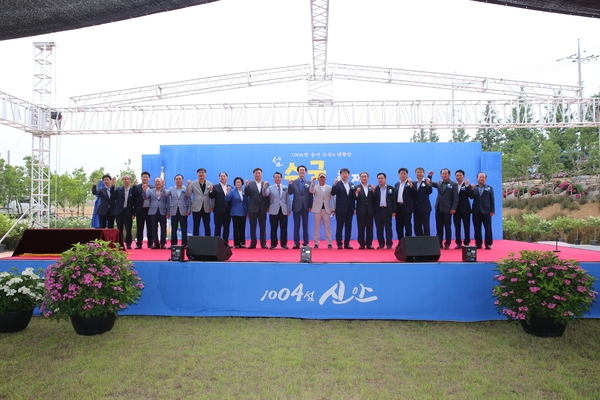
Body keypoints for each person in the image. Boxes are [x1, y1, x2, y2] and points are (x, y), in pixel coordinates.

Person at [428, 168, 458, 250]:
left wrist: (453, 208)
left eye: (446, 174)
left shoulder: (453, 184)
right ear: (441, 175)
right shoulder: (439, 183)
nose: (444, 175)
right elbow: (430, 183)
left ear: (449, 175)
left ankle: (447, 243)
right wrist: (430, 176)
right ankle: (439, 243)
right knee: (439, 227)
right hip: (438, 208)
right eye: (442, 174)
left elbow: (456, 198)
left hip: (448, 209)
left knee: (447, 227)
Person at [263, 172, 291, 249]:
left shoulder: (285, 187)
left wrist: (289, 209)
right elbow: (265, 194)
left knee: (284, 228)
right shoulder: (270, 188)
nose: (277, 178)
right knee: (273, 228)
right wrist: (264, 187)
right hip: (273, 210)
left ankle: (284, 244)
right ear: (274, 179)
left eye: (278, 177)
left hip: (284, 210)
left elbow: (288, 199)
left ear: (281, 178)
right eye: (276, 177)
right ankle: (273, 244)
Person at [288, 165, 313, 249]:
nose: (302, 172)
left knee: (305, 225)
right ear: (298, 172)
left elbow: (310, 195)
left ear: (305, 172)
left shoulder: (309, 182)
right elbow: (290, 192)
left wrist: (310, 206)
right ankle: (296, 243)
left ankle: (306, 242)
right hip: (296, 206)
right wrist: (290, 185)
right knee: (296, 225)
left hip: (305, 206)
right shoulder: (294, 182)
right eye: (300, 170)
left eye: (303, 170)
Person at [331, 168, 356, 249]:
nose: (345, 175)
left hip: (349, 209)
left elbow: (353, 197)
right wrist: (334, 185)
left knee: (348, 227)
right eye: (343, 173)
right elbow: (333, 193)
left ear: (349, 175)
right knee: (339, 227)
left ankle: (347, 243)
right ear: (340, 175)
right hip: (340, 209)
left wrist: (354, 208)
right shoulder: (338, 184)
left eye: (346, 173)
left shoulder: (351, 184)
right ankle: (339, 243)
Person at [245, 168, 269, 249]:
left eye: (259, 173)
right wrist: (246, 186)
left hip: (262, 208)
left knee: (263, 226)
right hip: (253, 208)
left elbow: (267, 196)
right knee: (253, 226)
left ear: (261, 174)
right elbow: (247, 194)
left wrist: (267, 206)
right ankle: (253, 243)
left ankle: (263, 243)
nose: (257, 174)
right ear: (253, 175)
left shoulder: (265, 183)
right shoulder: (250, 183)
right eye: (256, 173)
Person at [309, 172, 335, 249]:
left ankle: (329, 243)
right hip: (317, 209)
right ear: (318, 179)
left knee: (328, 227)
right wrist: (312, 182)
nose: (322, 179)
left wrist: (333, 209)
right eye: (321, 177)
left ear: (325, 179)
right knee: (317, 227)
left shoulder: (329, 188)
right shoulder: (315, 187)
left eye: (323, 177)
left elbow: (332, 199)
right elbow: (311, 191)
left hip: (326, 209)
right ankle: (316, 243)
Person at [471, 172, 495, 250]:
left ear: (485, 179)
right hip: (476, 211)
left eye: (483, 177)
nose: (481, 178)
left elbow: (492, 200)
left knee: (488, 228)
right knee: (477, 228)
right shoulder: (474, 187)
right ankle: (478, 243)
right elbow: (471, 197)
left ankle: (488, 243)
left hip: (487, 211)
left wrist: (492, 210)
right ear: (477, 178)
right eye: (480, 177)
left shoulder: (489, 188)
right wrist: (471, 189)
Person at [143, 177, 169, 249]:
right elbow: (145, 197)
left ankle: (163, 243)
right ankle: (156, 243)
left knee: (163, 228)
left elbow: (168, 202)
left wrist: (168, 212)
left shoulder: (165, 191)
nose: (157, 183)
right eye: (156, 182)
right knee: (154, 228)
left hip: (163, 211)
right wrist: (144, 191)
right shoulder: (150, 191)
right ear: (154, 183)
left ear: (161, 182)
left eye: (159, 181)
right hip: (153, 211)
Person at [165, 174, 190, 248]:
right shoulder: (171, 189)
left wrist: (189, 210)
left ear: (182, 180)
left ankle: (184, 244)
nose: (178, 180)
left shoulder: (186, 188)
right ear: (174, 180)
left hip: (183, 211)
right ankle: (173, 244)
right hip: (174, 211)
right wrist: (163, 186)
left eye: (180, 179)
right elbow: (165, 193)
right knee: (174, 228)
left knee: (184, 228)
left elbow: (189, 198)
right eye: (177, 179)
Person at [187, 167, 213, 236]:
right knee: (196, 226)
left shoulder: (210, 184)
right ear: (197, 174)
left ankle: (208, 240)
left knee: (207, 226)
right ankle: (196, 242)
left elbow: (212, 196)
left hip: (206, 207)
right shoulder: (192, 183)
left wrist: (211, 206)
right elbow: (188, 194)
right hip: (196, 207)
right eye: (199, 173)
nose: (201, 174)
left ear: (205, 174)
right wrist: (188, 186)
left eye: (202, 172)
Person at [373, 172, 396, 249]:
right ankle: (381, 244)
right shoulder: (375, 189)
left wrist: (394, 211)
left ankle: (389, 244)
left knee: (388, 228)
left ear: (385, 179)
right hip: (378, 211)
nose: (380, 180)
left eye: (381, 178)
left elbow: (394, 200)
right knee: (379, 228)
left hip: (387, 210)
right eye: (378, 178)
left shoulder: (391, 188)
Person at [113, 174, 135, 249]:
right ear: (123, 180)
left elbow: (135, 203)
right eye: (125, 179)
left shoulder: (133, 190)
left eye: (128, 179)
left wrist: (133, 213)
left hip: (128, 212)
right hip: (119, 212)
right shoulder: (118, 189)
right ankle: (120, 244)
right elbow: (112, 194)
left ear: (130, 181)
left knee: (128, 228)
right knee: (119, 228)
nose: (126, 181)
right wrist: (113, 185)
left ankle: (128, 243)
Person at [225, 177, 248, 249]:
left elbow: (246, 202)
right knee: (236, 228)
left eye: (239, 182)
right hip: (235, 212)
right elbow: (227, 199)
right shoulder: (232, 191)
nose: (238, 183)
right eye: (236, 182)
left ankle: (242, 243)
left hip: (243, 212)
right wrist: (227, 192)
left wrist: (247, 212)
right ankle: (236, 243)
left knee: (242, 228)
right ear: (234, 183)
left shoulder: (244, 191)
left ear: (242, 183)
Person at [210, 172, 232, 247]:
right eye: (221, 176)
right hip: (218, 210)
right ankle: (217, 243)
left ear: (227, 178)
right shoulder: (215, 187)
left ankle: (225, 243)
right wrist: (210, 190)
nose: (223, 178)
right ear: (219, 178)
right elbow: (211, 196)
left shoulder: (230, 187)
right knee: (218, 227)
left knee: (227, 227)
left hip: (228, 211)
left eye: (224, 176)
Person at [354, 172, 375, 249]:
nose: (364, 178)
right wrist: (356, 193)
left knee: (370, 228)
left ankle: (369, 243)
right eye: (362, 176)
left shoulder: (371, 187)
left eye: (365, 176)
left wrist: (374, 191)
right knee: (361, 228)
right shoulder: (357, 187)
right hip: (360, 211)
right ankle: (362, 244)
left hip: (370, 211)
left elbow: (375, 198)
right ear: (360, 178)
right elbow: (353, 198)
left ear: (368, 178)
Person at [394, 167, 415, 243]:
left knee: (407, 225)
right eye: (401, 174)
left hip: (407, 207)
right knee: (399, 226)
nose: (402, 175)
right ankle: (401, 242)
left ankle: (408, 242)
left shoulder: (411, 183)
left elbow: (415, 193)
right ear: (399, 175)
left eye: (404, 174)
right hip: (398, 207)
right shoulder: (396, 184)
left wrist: (411, 186)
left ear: (407, 174)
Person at [134, 171, 153, 249]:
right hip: (140, 210)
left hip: (150, 210)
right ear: (141, 178)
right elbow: (134, 198)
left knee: (150, 227)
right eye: (143, 177)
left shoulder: (152, 187)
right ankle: (139, 243)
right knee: (140, 227)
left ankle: (150, 243)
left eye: (146, 177)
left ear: (149, 178)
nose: (145, 178)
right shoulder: (137, 187)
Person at [453, 169, 472, 249]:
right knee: (457, 227)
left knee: (466, 226)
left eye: (460, 175)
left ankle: (467, 243)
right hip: (456, 209)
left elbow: (471, 195)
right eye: (457, 175)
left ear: (463, 176)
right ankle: (458, 243)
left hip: (466, 209)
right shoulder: (453, 185)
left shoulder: (467, 185)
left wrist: (468, 186)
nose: (458, 177)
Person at [413, 167, 433, 236]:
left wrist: (429, 184)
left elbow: (429, 191)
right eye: (417, 172)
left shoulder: (426, 182)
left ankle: (426, 242)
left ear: (423, 173)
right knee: (417, 226)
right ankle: (419, 242)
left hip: (425, 208)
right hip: (416, 208)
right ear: (415, 173)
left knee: (426, 226)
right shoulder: (413, 183)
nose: (419, 173)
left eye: (421, 172)